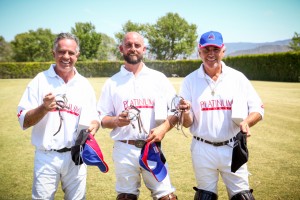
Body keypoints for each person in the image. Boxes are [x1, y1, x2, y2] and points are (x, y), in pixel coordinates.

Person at [178, 31, 264, 200]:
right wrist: (185, 111)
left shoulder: (237, 78)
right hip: (202, 148)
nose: (211, 54)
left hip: (233, 147)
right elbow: (187, 123)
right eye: (206, 49)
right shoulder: (190, 80)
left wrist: (247, 122)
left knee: (243, 197)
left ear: (223, 50)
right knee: (204, 196)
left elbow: (258, 109)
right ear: (199, 51)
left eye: (215, 49)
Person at [17, 32, 100, 200]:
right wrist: (43, 108)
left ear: (77, 55)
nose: (66, 56)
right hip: (47, 156)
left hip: (76, 157)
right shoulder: (40, 80)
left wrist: (94, 126)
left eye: (71, 53)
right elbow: (24, 120)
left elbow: (95, 118)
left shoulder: (84, 84)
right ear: (53, 53)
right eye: (61, 52)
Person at [97, 32, 178, 200]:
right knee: (126, 197)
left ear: (144, 49)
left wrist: (163, 128)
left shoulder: (158, 78)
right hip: (124, 148)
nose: (133, 49)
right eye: (128, 45)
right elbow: (103, 119)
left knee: (166, 197)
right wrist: (116, 121)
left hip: (152, 148)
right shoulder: (112, 82)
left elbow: (176, 111)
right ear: (121, 49)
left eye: (137, 45)